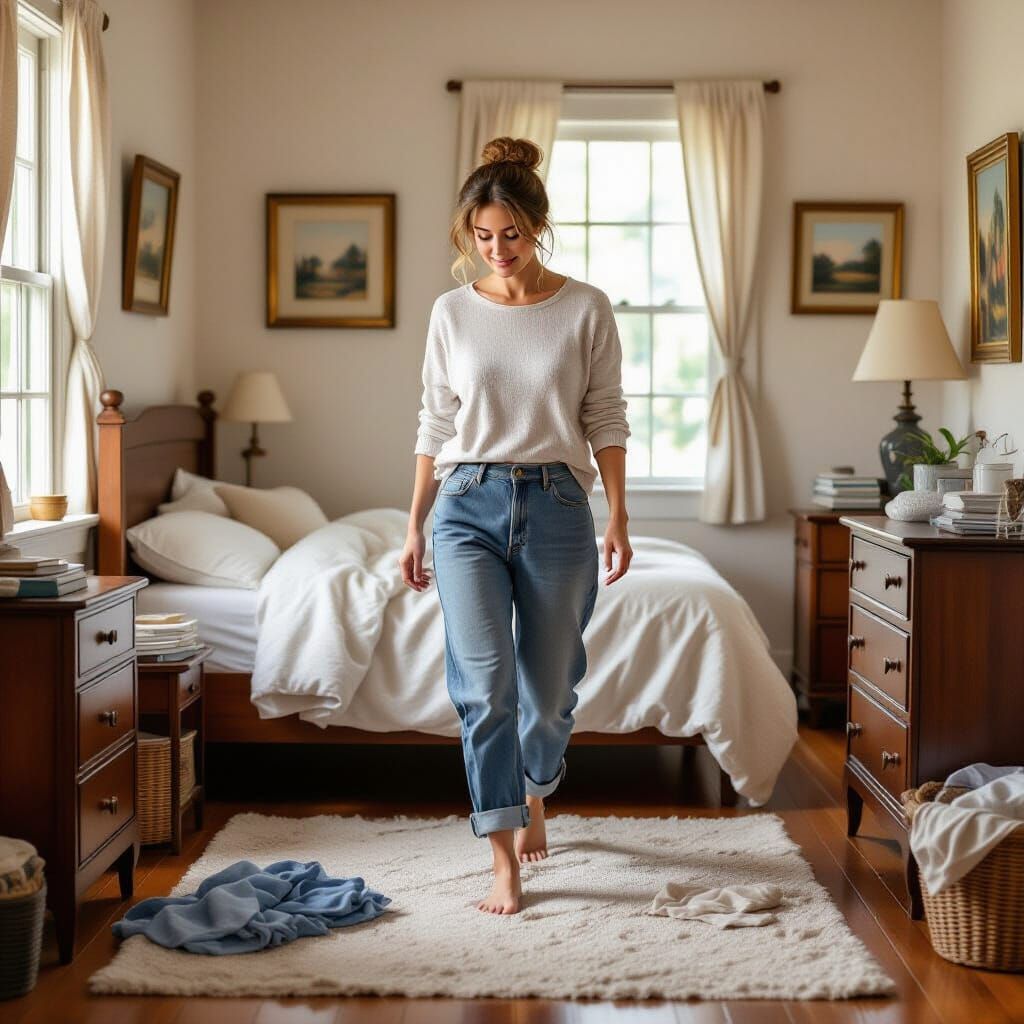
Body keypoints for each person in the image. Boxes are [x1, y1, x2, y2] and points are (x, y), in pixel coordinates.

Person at [398, 136, 633, 915]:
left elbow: (604, 416)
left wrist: (620, 514)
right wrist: (413, 526)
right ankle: (502, 854)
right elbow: (436, 422)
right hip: (465, 506)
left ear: (539, 227)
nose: (496, 250)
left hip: (561, 505)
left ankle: (537, 790)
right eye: (482, 236)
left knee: (552, 687)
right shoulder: (451, 312)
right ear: (468, 233)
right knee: (484, 686)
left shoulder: (585, 307)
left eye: (512, 235)